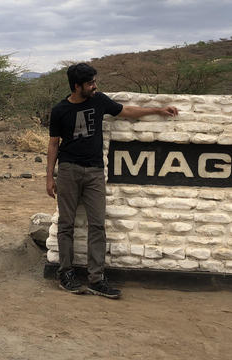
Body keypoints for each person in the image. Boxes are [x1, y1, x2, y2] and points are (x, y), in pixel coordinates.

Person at [47, 63, 179, 298]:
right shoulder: (60, 110)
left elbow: (125, 111)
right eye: (90, 83)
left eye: (94, 82)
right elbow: (53, 144)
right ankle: (65, 274)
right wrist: (49, 177)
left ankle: (96, 278)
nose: (95, 86)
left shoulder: (99, 101)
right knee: (66, 224)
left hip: (95, 171)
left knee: (97, 225)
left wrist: (158, 110)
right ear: (78, 86)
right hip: (68, 170)